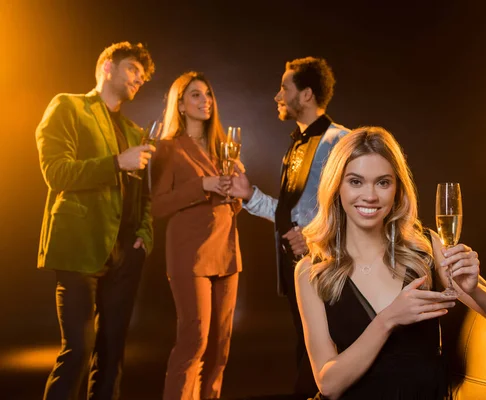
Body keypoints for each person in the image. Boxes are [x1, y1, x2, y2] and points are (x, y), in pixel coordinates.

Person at [295, 126, 486, 399]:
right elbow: (329, 385)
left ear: (397, 190)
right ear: (336, 188)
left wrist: (473, 289)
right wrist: (389, 319)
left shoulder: (427, 247)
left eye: (383, 182)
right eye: (355, 182)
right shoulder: (312, 270)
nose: (370, 195)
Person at [35, 41, 156, 399]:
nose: (140, 79)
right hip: (79, 249)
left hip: (124, 255)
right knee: (78, 352)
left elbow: (143, 197)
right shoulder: (68, 106)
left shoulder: (135, 132)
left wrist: (144, 236)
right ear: (107, 67)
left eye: (143, 76)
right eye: (133, 69)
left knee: (112, 355)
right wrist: (117, 163)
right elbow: (56, 173)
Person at [229, 57, 350, 397]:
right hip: (296, 271)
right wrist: (248, 194)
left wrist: (313, 238)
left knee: (328, 358)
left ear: (307, 94)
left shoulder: (339, 141)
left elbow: (356, 207)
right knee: (308, 352)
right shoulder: (295, 143)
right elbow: (290, 215)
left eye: (284, 88)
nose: (277, 95)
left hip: (329, 271)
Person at [150, 71, 241, 400]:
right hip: (190, 253)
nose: (206, 101)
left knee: (220, 347)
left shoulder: (224, 149)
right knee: (195, 339)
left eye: (208, 95)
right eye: (196, 95)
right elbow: (157, 206)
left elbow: (237, 204)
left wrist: (237, 193)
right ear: (181, 105)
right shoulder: (169, 148)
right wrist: (201, 186)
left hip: (227, 252)